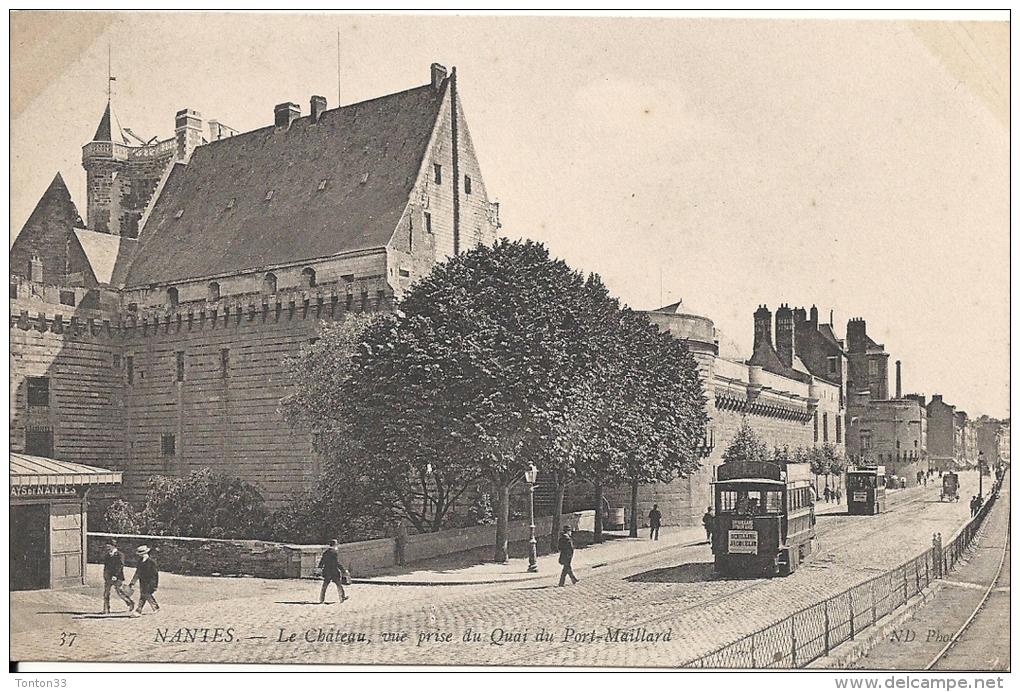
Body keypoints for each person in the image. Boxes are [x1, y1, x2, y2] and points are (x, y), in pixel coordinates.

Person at [102, 540, 134, 614]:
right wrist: (105, 575)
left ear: (114, 546)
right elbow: (106, 566)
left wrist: (115, 575)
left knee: (119, 592)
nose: (107, 548)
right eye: (107, 547)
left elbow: (120, 566)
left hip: (117, 577)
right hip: (108, 577)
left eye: (109, 547)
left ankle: (130, 602)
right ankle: (106, 609)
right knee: (106, 593)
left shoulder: (120, 555)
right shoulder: (107, 556)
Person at [129, 545, 159, 615]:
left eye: (142, 554)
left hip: (150, 582)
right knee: (145, 594)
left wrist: (155, 585)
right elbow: (137, 572)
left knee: (144, 594)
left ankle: (139, 610)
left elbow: (155, 575)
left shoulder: (152, 562)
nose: (141, 555)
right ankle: (156, 607)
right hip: (142, 582)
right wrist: (133, 582)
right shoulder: (140, 562)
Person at [318, 539, 347, 604]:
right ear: (335, 545)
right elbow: (337, 562)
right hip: (334, 571)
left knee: (324, 586)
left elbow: (322, 561)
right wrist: (343, 570)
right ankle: (342, 597)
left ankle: (321, 599)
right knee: (339, 585)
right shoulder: (335, 553)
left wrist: (319, 569)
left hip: (327, 571)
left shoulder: (326, 552)